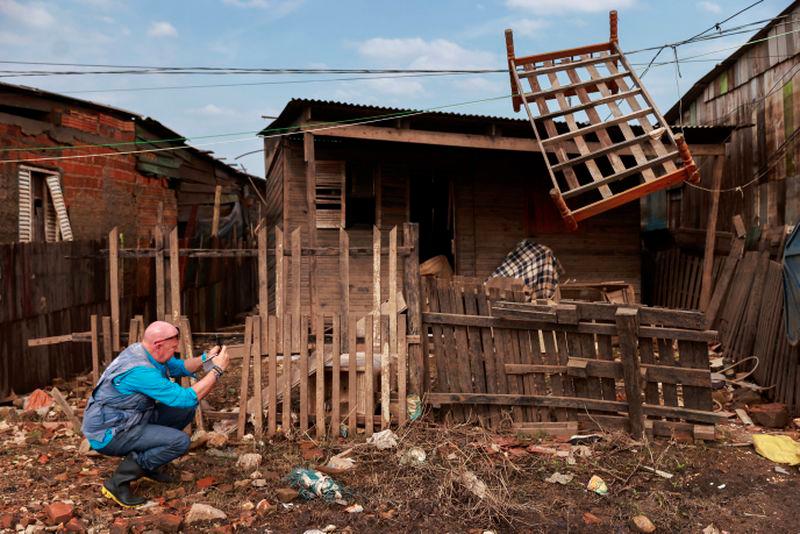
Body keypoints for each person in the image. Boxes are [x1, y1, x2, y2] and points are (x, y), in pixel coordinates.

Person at [81, 320, 230, 507]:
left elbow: (178, 367)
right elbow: (186, 397)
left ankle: (148, 466)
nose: (174, 352)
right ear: (158, 345)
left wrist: (205, 359)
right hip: (110, 432)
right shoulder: (140, 371)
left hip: (131, 417)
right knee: (179, 441)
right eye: (173, 348)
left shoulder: (144, 351)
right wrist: (217, 370)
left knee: (184, 412)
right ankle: (117, 484)